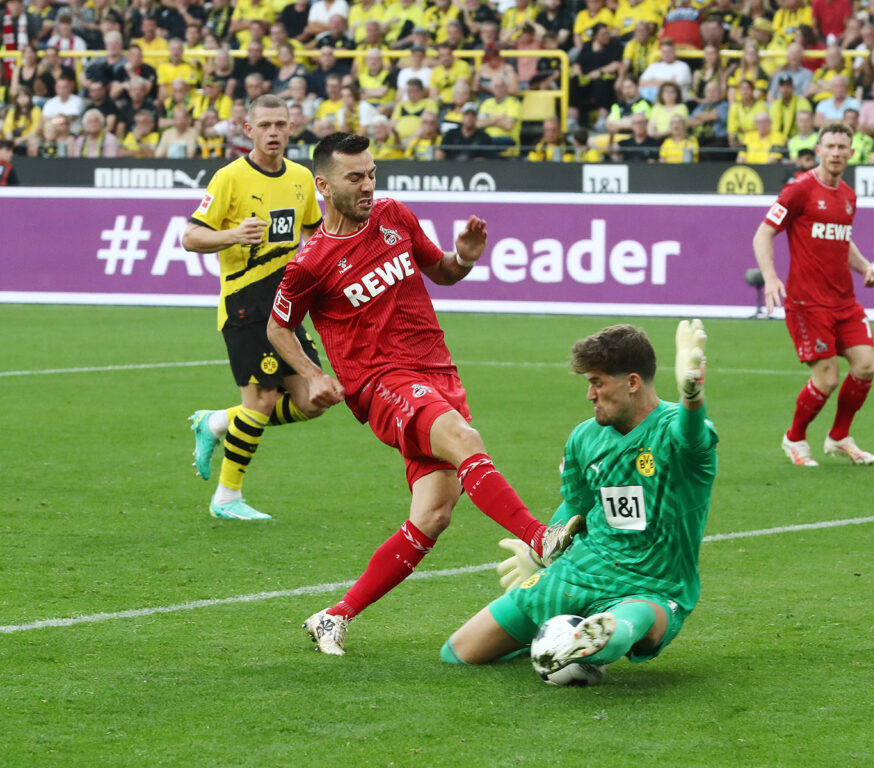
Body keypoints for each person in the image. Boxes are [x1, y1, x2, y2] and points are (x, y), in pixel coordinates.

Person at [264, 132, 583, 656]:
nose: (368, 185)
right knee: (463, 437)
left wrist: (464, 256)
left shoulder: (395, 216)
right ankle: (539, 537)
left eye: (371, 174)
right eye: (354, 177)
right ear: (323, 185)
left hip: (438, 373)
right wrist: (312, 371)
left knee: (432, 514)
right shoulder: (311, 262)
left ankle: (334, 615)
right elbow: (280, 328)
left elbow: (444, 273)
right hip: (380, 384)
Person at [440, 321, 717, 678]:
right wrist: (540, 552)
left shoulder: (675, 430)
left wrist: (692, 399)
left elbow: (692, 436)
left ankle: (599, 636)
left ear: (632, 383)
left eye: (597, 383)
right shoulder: (585, 439)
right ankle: (555, 641)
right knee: (458, 653)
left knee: (633, 619)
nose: (590, 394)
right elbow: (575, 505)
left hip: (653, 583)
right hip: (580, 572)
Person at [180, 94, 326, 521]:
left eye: (280, 124)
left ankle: (218, 422)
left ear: (291, 126)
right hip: (245, 304)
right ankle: (227, 497)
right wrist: (232, 235)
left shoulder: (301, 178)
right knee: (261, 399)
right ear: (248, 130)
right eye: (264, 125)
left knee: (312, 399)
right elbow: (190, 237)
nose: (274, 132)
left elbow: (317, 235)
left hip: (286, 308)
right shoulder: (230, 178)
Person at [752, 120, 874, 467]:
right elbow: (763, 233)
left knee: (866, 366)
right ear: (819, 151)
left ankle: (839, 437)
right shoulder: (799, 190)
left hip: (844, 301)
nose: (837, 152)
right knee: (826, 378)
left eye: (843, 147)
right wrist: (770, 277)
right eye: (831, 146)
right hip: (807, 303)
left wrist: (865, 266)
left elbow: (842, 241)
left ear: (851, 153)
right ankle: (794, 439)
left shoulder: (849, 197)